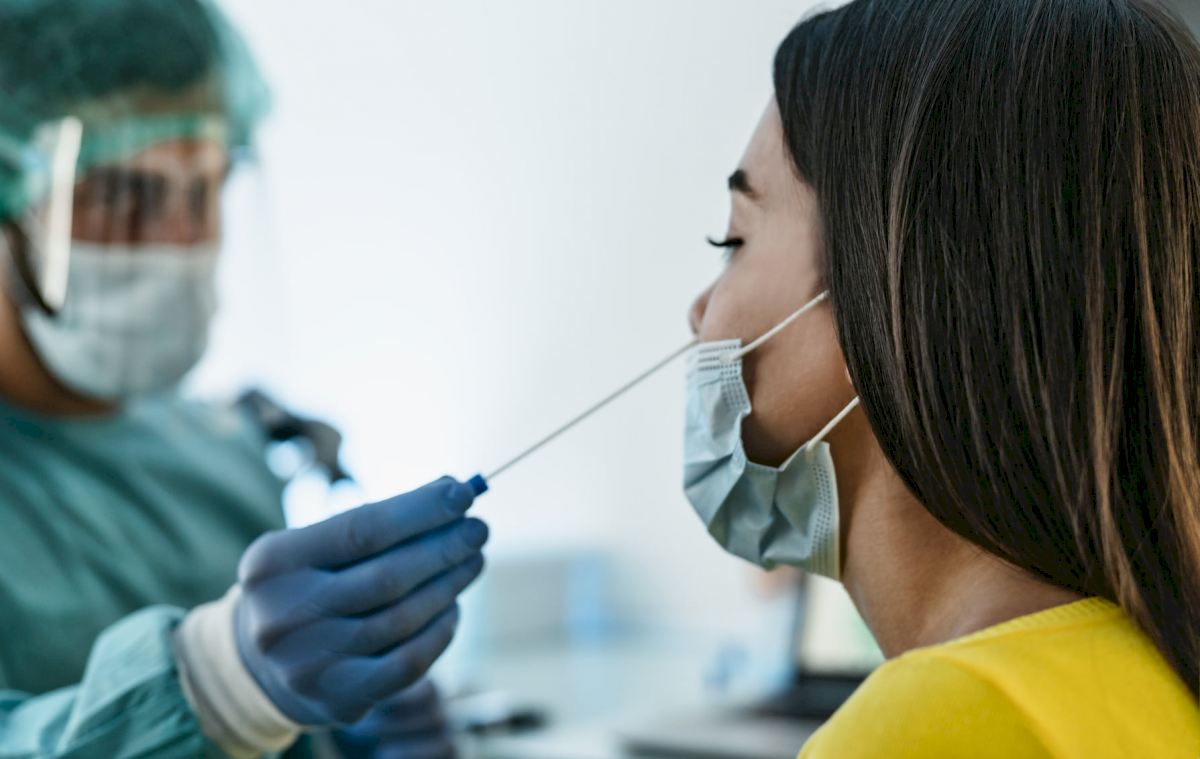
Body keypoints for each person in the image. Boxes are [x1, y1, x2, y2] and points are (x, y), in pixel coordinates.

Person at [681, 0, 1200, 756]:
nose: (699, 311)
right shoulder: (1154, 668)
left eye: (734, 239)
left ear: (882, 300)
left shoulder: (926, 729)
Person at [0, 1, 486, 757]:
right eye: (125, 195)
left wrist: (343, 737)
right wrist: (216, 691)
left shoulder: (221, 455)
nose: (182, 241)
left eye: (205, 190)